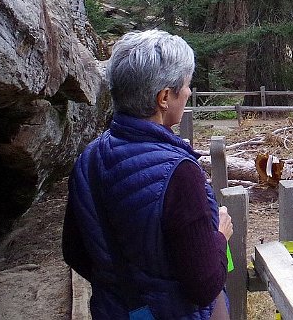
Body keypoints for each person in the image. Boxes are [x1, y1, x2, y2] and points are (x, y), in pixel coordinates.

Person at [63, 29, 233, 320]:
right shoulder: (179, 173)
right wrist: (220, 236)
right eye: (186, 85)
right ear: (164, 97)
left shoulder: (89, 157)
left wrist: (124, 287)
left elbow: (74, 251)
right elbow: (204, 285)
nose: (189, 92)